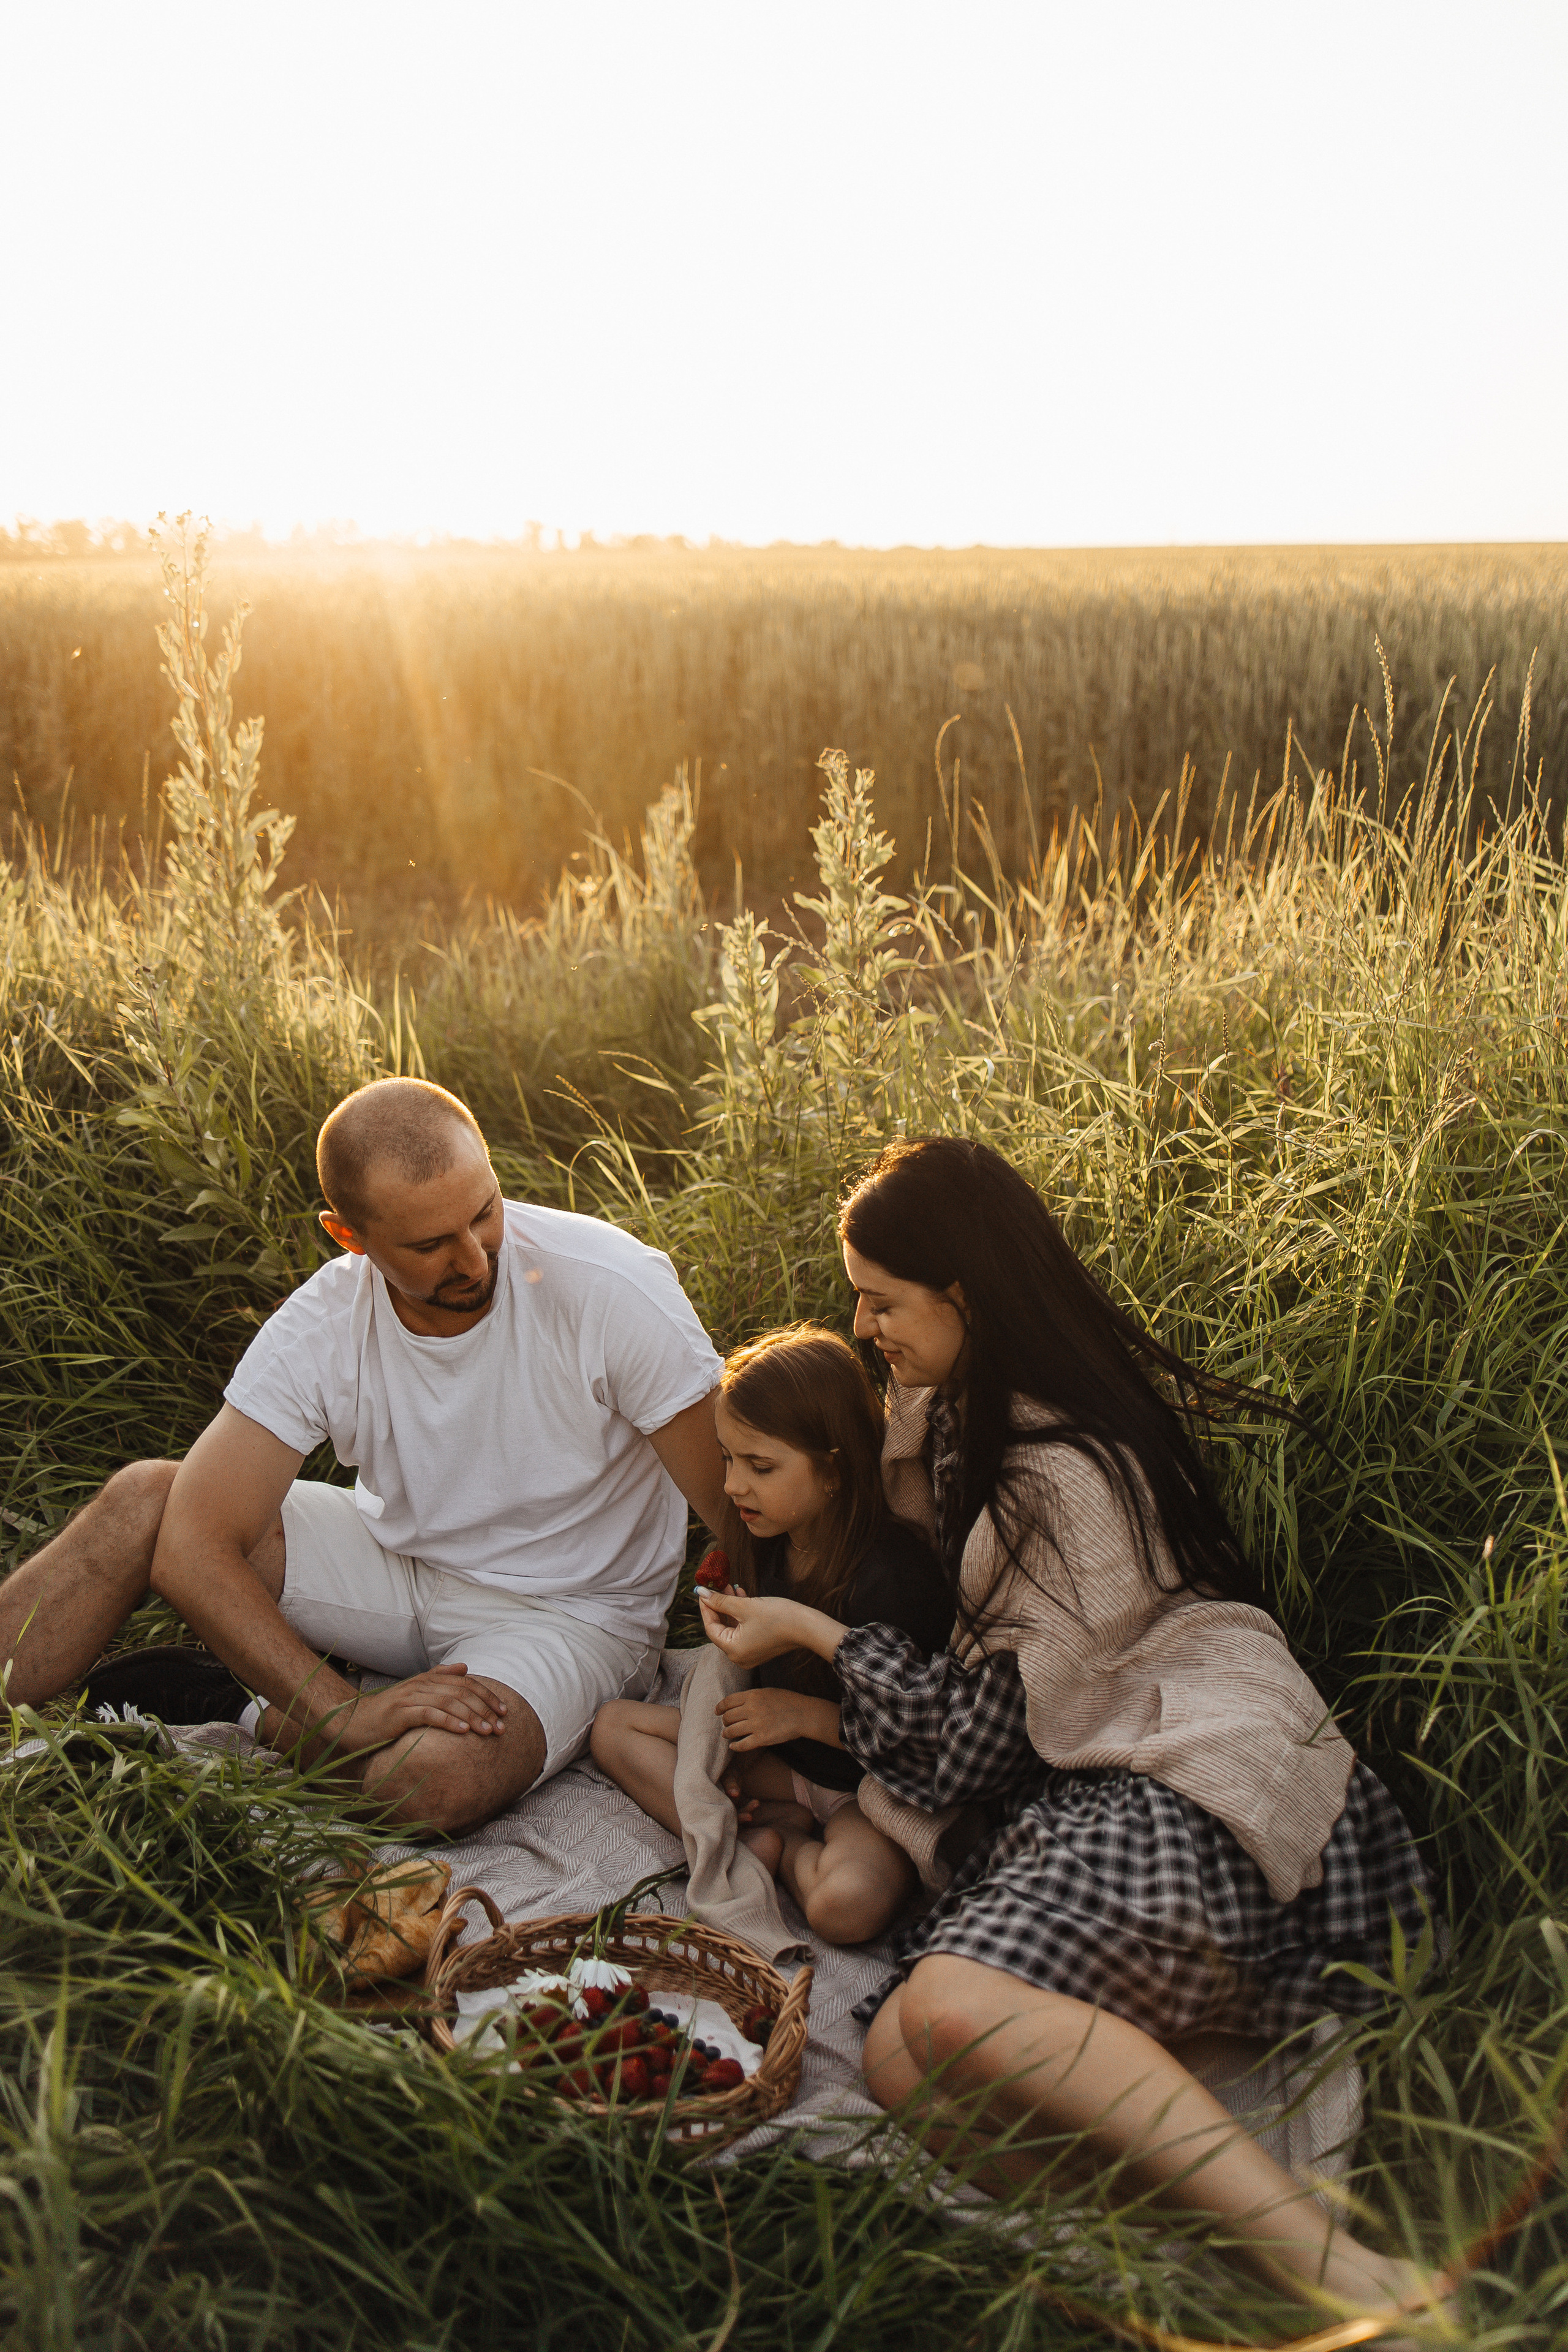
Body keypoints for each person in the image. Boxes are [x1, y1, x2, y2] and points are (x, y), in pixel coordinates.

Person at [696, 1136, 1447, 2328]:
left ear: (962, 1295)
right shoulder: (957, 1416)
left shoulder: (1056, 1475)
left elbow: (977, 1745)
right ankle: (1204, 2257)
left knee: (945, 2008)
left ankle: (1334, 2267)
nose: (863, 1326)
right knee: (897, 2064)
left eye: (881, 1302)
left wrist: (817, 1636)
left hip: (1183, 1761)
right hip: (1081, 1778)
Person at [0, 1079, 731, 1836]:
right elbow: (191, 1547)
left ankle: (237, 1707)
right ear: (350, 1237)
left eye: (483, 1212)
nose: (474, 1259)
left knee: (426, 1784)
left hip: (575, 1613)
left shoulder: (610, 1288)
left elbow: (737, 1508)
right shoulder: (325, 1322)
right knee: (147, 1503)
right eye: (429, 1245)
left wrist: (798, 1675)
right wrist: (342, 1713)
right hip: (398, 1567)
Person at [590, 1324, 953, 1943]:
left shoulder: (893, 1577)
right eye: (728, 1459)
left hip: (859, 1789)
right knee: (614, 1728)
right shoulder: (768, 1543)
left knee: (846, 1907)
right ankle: (740, 1827)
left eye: (759, 1466)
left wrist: (802, 1716)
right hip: (774, 1766)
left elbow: (921, 1734)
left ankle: (781, 1849)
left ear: (833, 1471)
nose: (733, 1485)